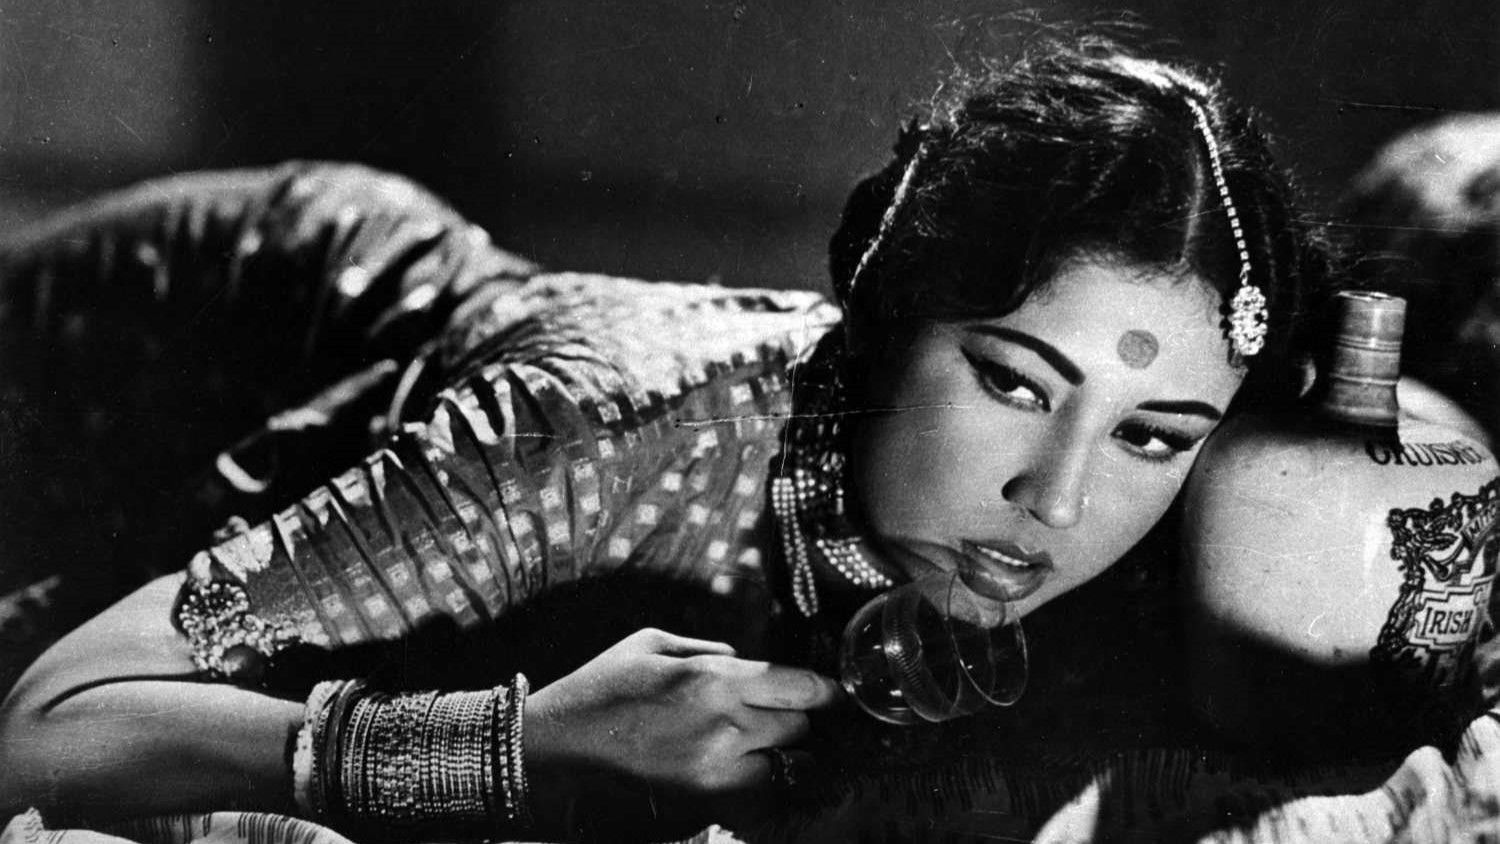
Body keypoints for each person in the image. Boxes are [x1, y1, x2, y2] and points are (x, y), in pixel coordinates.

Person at [0, 37, 1330, 842]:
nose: (1059, 503)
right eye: (1015, 384)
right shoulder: (611, 432)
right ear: (888, 318)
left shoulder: (1174, 557)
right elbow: (50, 724)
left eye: (1152, 437)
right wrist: (516, 746)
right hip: (191, 342)